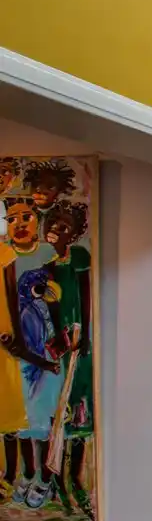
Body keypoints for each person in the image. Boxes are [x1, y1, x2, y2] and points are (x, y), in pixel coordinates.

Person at [0, 199, 59, 503]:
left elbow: (51, 296)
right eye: (13, 218)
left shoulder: (45, 254)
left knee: (40, 412)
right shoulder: (6, 252)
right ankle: (24, 472)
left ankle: (41, 476)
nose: (20, 223)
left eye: (26, 217)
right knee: (21, 419)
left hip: (35, 335)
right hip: (15, 343)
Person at [42, 200, 94, 517]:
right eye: (52, 224)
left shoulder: (79, 257)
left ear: (75, 233)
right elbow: (50, 308)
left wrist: (85, 336)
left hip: (79, 346)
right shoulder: (49, 269)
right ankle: (59, 481)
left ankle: (75, 479)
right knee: (57, 413)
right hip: (61, 346)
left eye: (63, 227)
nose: (55, 231)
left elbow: (86, 295)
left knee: (78, 411)